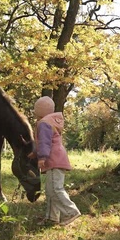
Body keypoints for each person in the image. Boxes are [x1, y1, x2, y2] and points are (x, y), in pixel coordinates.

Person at [33, 96, 81, 226]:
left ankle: (71, 211)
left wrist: (41, 157)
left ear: (40, 110)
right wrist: (35, 154)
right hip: (56, 158)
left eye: (36, 109)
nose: (34, 112)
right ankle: (52, 217)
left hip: (53, 159)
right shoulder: (52, 121)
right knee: (50, 190)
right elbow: (48, 141)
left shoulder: (44, 123)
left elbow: (45, 142)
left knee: (55, 188)